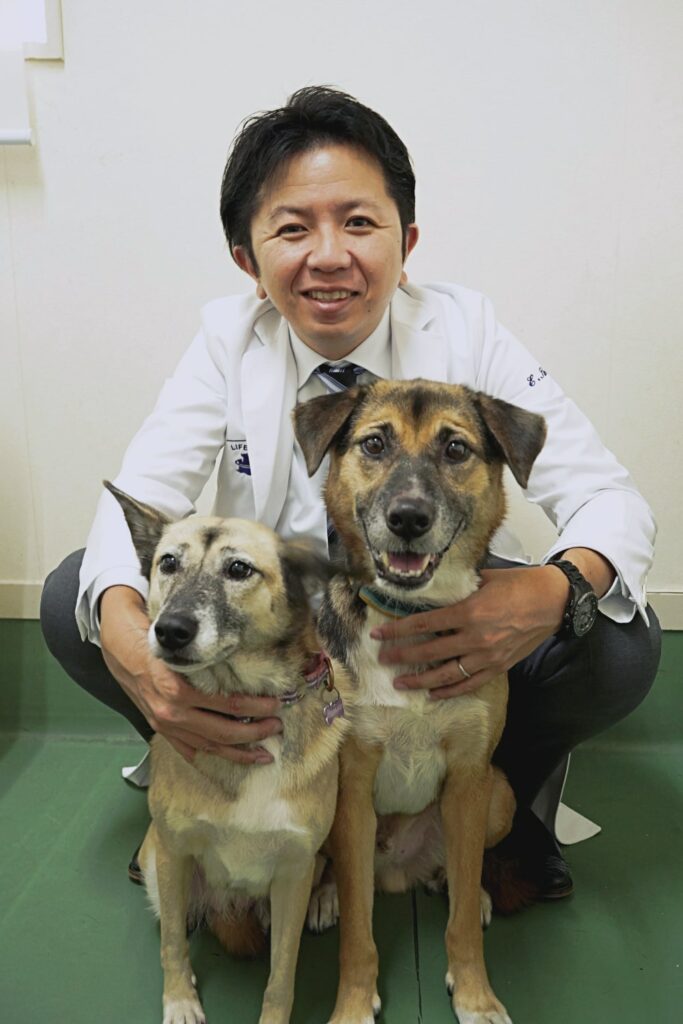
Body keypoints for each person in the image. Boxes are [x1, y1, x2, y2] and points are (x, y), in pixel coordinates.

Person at [41, 86, 661, 898]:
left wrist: (551, 589)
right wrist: (138, 661)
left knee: (615, 643)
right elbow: (138, 501)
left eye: (359, 223)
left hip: (434, 620)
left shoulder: (467, 329)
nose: (329, 255)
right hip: (292, 630)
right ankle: (220, 773)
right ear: (248, 261)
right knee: (73, 599)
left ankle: (493, 802)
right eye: (292, 229)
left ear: (406, 244)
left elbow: (607, 496)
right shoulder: (225, 343)